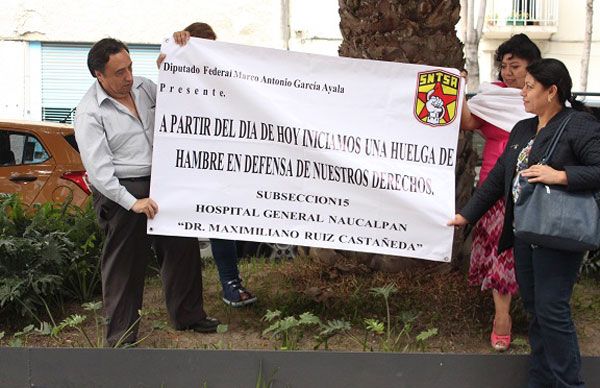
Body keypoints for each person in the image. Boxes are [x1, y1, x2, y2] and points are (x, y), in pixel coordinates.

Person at [450, 58, 600, 387]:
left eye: (530, 86)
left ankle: (568, 383)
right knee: (536, 310)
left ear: (552, 91)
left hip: (558, 235)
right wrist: (467, 215)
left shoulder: (578, 125)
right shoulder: (523, 128)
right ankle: (541, 380)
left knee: (552, 311)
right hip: (524, 232)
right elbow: (499, 177)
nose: (523, 92)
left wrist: (561, 175)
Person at [74, 38, 220, 347]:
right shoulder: (89, 112)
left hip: (161, 179)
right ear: (99, 75)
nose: (128, 77)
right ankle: (122, 337)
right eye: (119, 72)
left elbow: (180, 100)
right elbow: (100, 173)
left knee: (182, 247)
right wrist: (132, 202)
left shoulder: (144, 87)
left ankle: (188, 315)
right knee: (124, 264)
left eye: (130, 67)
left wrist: (176, 60)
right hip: (121, 190)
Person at [160, 22, 257, 308]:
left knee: (222, 220)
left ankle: (230, 283)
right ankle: (184, 296)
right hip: (183, 162)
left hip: (216, 160)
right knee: (180, 229)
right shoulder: (177, 65)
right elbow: (165, 69)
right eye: (205, 49)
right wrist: (176, 48)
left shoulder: (219, 76)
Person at [460, 33, 541, 351]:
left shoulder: (545, 97)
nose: (508, 71)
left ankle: (538, 314)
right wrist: (459, 91)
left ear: (533, 66)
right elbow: (467, 122)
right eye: (504, 65)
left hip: (536, 187)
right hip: (495, 188)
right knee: (500, 251)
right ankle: (502, 318)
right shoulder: (493, 96)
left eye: (515, 65)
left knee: (533, 251)